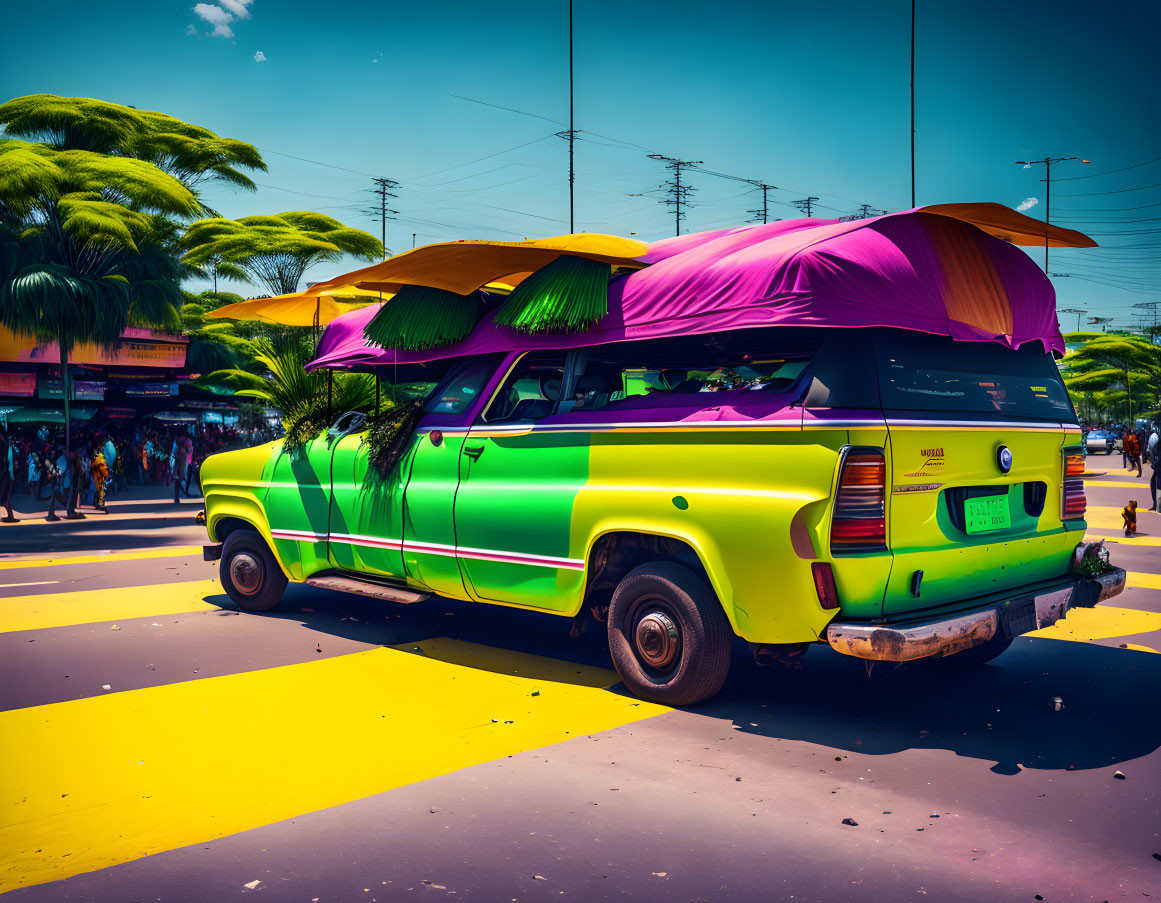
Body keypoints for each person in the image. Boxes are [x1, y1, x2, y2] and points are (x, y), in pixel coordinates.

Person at [0, 425, 17, 523]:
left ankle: (10, 516)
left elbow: (9, 460)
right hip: (6, 472)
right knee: (5, 495)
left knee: (5, 495)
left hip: (6, 472)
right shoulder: (5, 441)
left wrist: (11, 474)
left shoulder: (4, 442)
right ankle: (10, 516)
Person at [171, 431, 192, 503]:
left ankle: (178, 496)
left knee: (179, 478)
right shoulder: (188, 441)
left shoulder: (177, 441)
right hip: (183, 459)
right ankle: (183, 493)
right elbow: (190, 451)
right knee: (182, 478)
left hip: (179, 458)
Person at [90, 441, 109, 514]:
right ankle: (100, 504)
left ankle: (98, 503)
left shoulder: (95, 456)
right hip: (98, 476)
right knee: (100, 490)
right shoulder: (99, 456)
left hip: (96, 475)